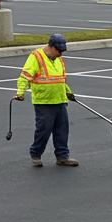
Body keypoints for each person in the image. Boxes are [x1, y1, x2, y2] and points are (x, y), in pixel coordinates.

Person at [15, 33, 79, 168]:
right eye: (59, 50)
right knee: (43, 130)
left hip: (60, 100)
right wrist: (20, 92)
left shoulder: (59, 59)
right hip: (44, 102)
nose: (61, 54)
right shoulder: (36, 57)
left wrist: (68, 91)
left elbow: (60, 79)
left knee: (62, 130)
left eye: (62, 51)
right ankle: (36, 154)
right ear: (51, 47)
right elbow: (25, 76)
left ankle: (62, 156)